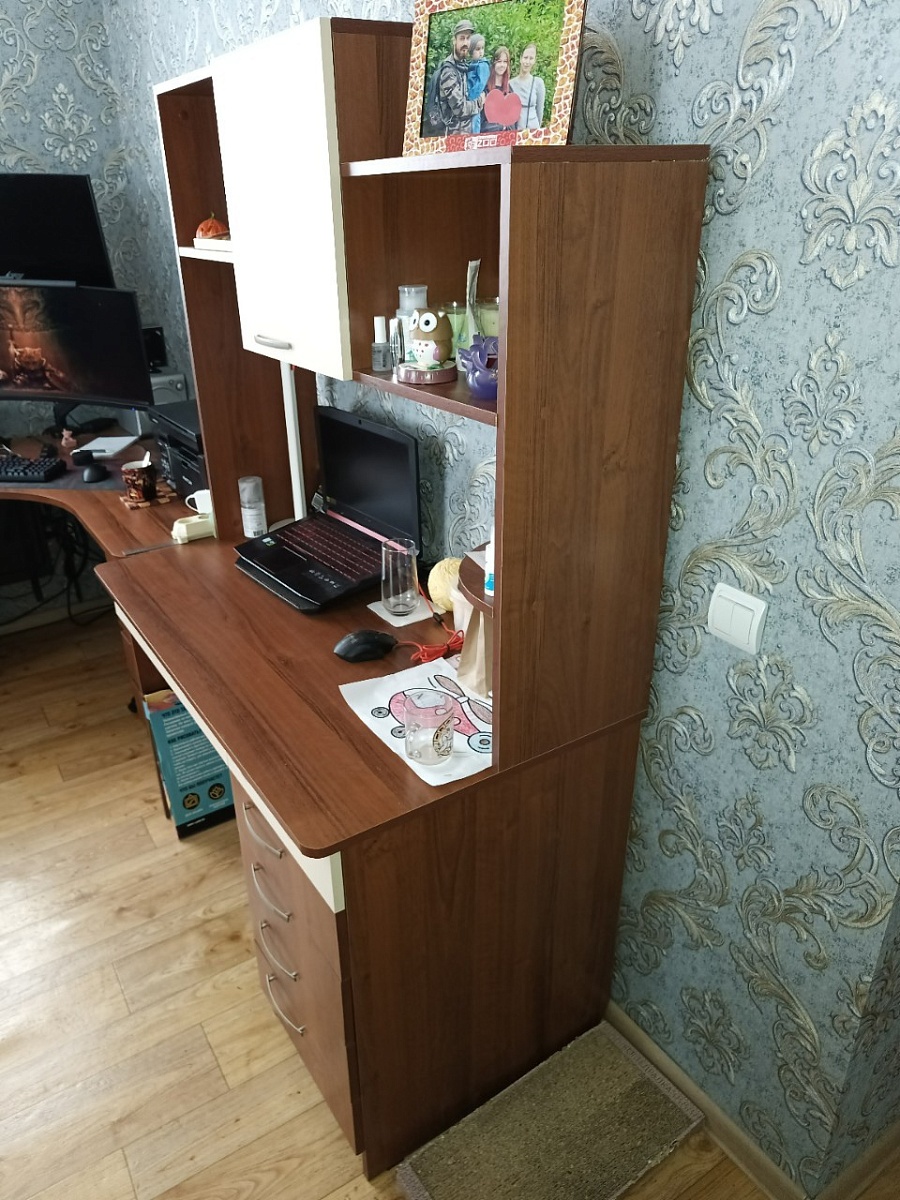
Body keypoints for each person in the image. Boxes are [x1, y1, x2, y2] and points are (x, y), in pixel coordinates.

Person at [422, 18, 485, 137]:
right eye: (462, 38)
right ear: (454, 41)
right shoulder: (448, 72)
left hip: (465, 133)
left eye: (468, 38)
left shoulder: (462, 65)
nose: (465, 43)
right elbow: (460, 109)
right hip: (454, 136)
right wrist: (480, 101)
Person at [480, 45, 521, 135]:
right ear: (494, 63)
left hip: (505, 139)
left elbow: (513, 121)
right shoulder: (485, 88)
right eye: (499, 61)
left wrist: (506, 128)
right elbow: (480, 122)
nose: (502, 65)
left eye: (505, 62)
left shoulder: (509, 90)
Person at [510, 43, 545, 130]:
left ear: (534, 61)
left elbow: (540, 111)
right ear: (520, 58)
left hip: (533, 130)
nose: (527, 62)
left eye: (531, 58)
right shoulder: (510, 83)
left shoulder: (538, 83)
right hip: (516, 130)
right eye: (525, 58)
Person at [466, 34, 490, 134]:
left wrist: (471, 98)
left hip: (475, 100)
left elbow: (480, 84)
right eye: (477, 49)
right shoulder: (471, 64)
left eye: (482, 48)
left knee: (474, 125)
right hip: (469, 101)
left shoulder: (482, 65)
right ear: (471, 51)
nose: (481, 52)